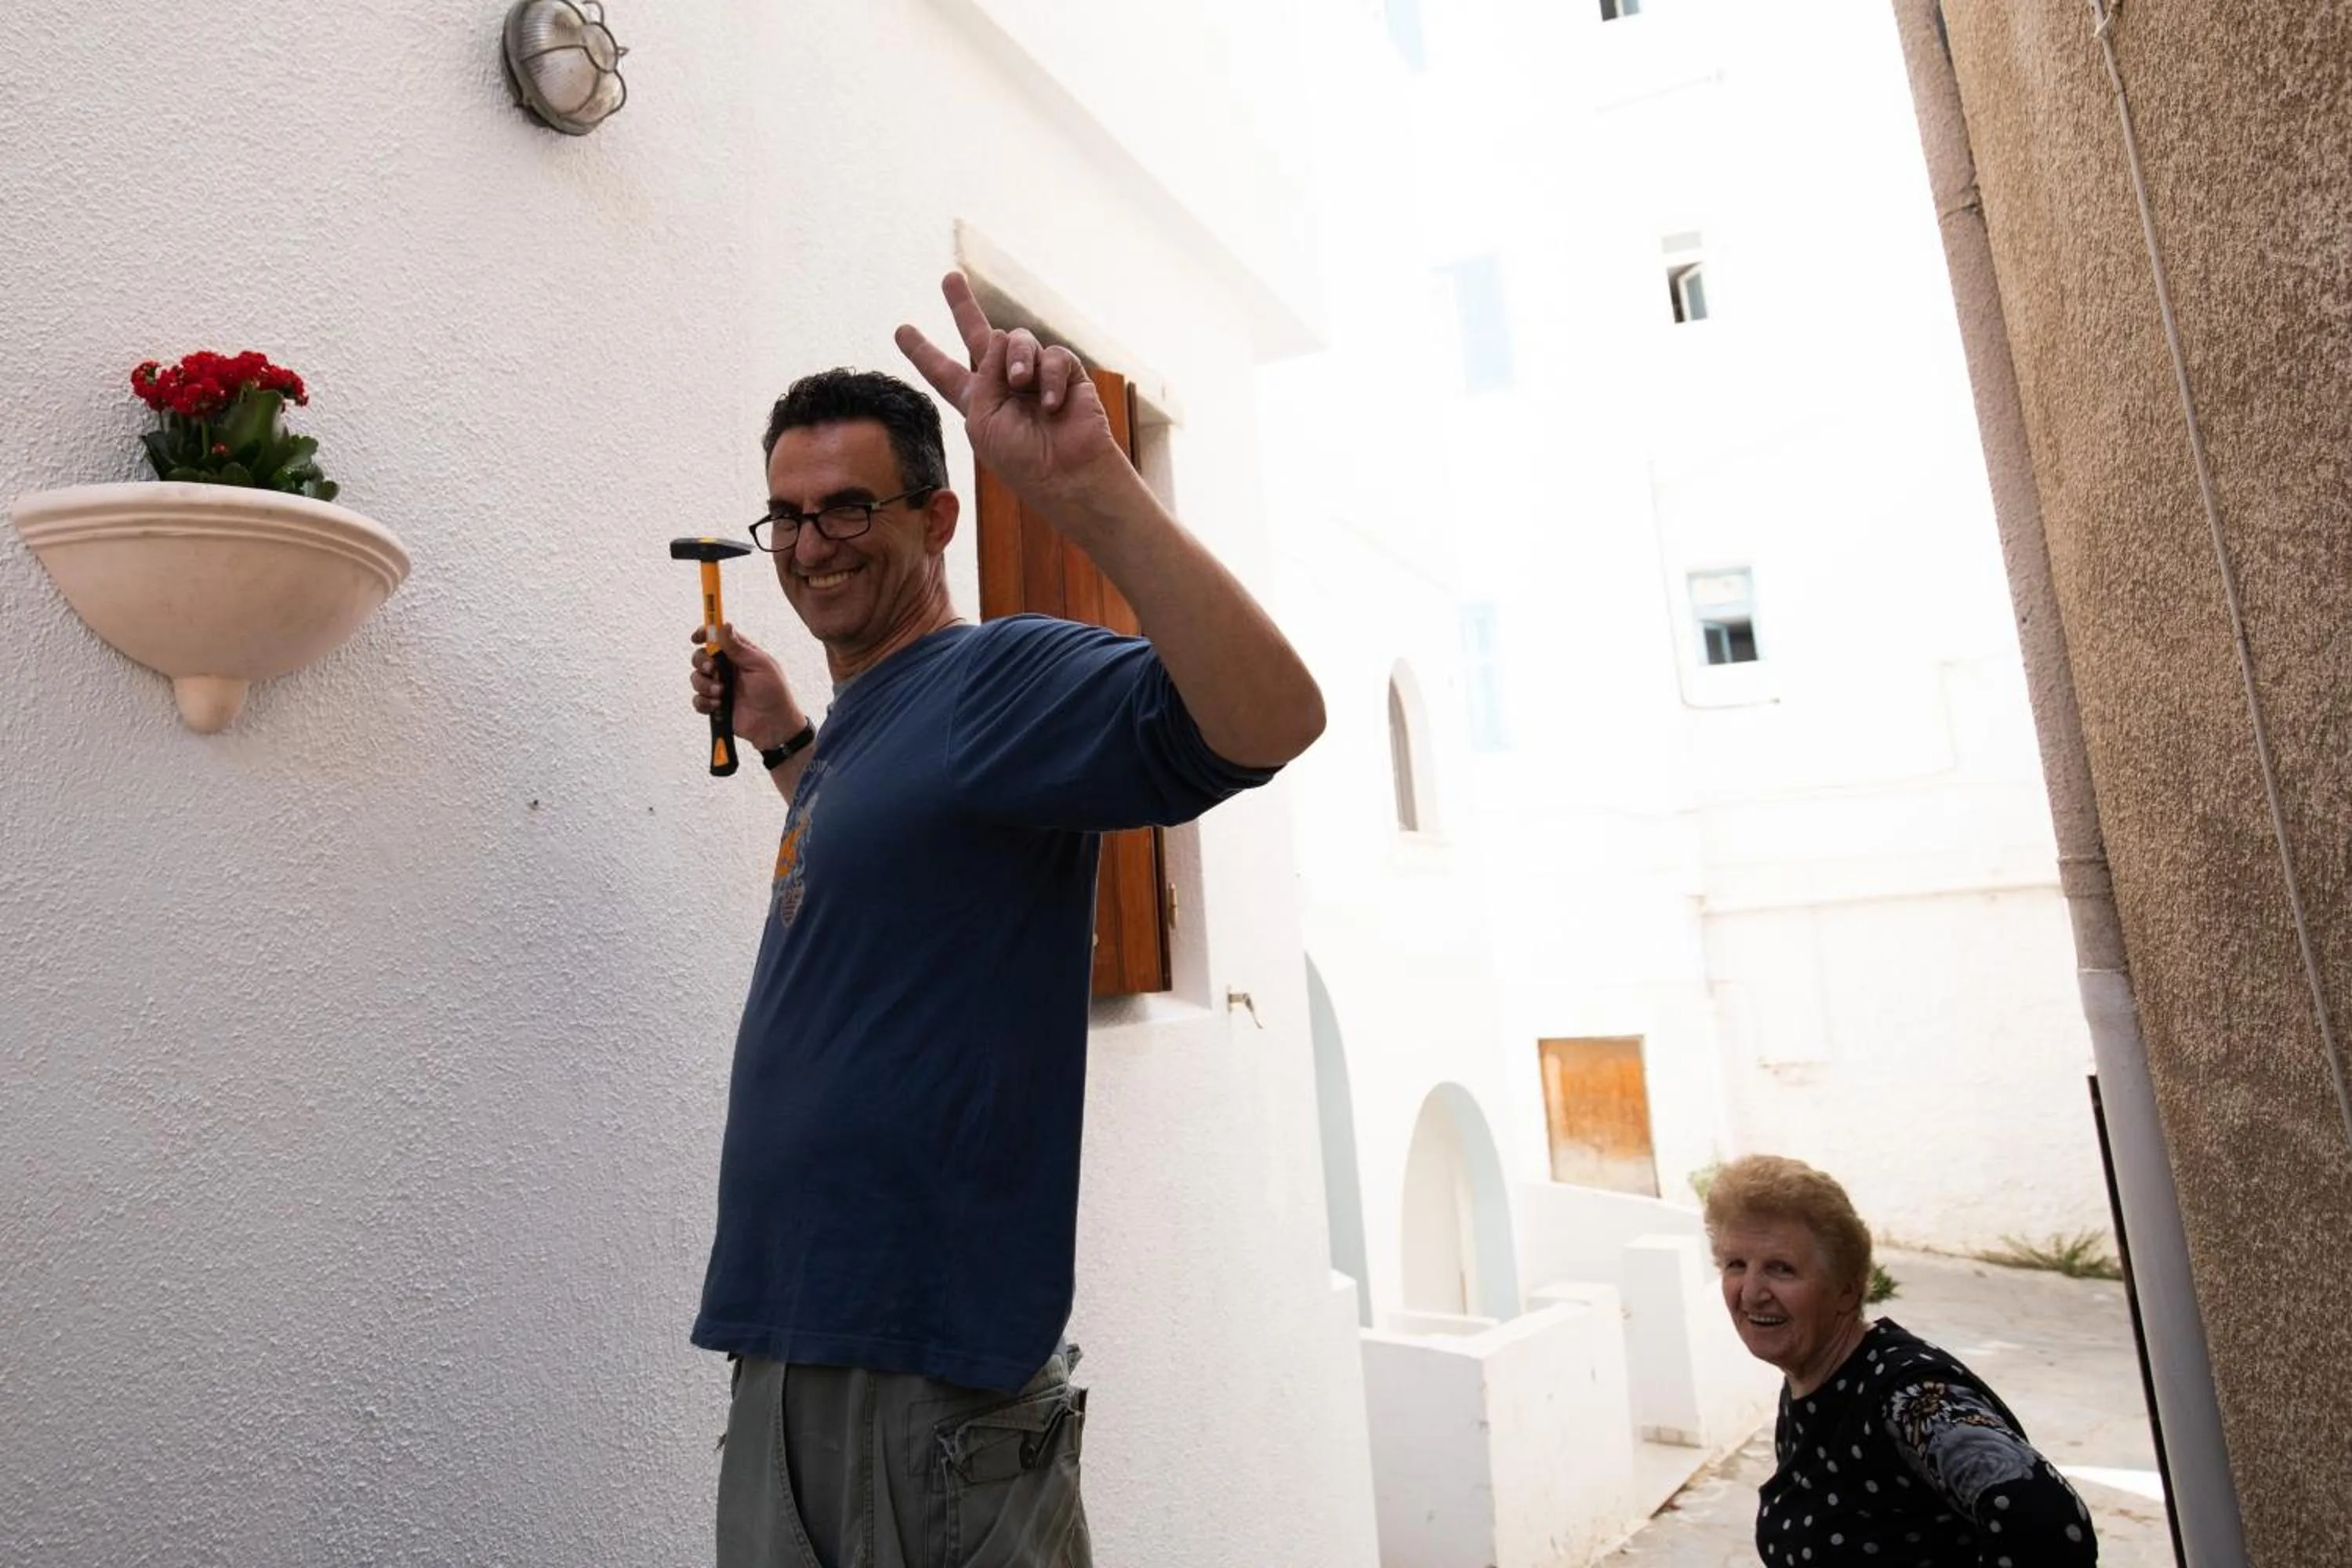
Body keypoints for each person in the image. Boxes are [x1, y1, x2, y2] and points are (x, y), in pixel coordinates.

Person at [685, 273, 1326, 1568]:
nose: (811, 546)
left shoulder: (992, 681)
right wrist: (789, 742)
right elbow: (906, 873)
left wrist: (1093, 492)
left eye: (848, 508)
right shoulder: (869, 724)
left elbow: (1271, 721)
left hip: (922, 1378)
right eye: (787, 517)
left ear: (938, 518)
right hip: (792, 1343)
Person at [1704, 1155, 2100, 1566]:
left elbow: (2051, 1525)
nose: (1751, 1293)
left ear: (1846, 1291)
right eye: (1736, 1265)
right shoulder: (1812, 1379)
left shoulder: (1909, 1398)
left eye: (1781, 1269)